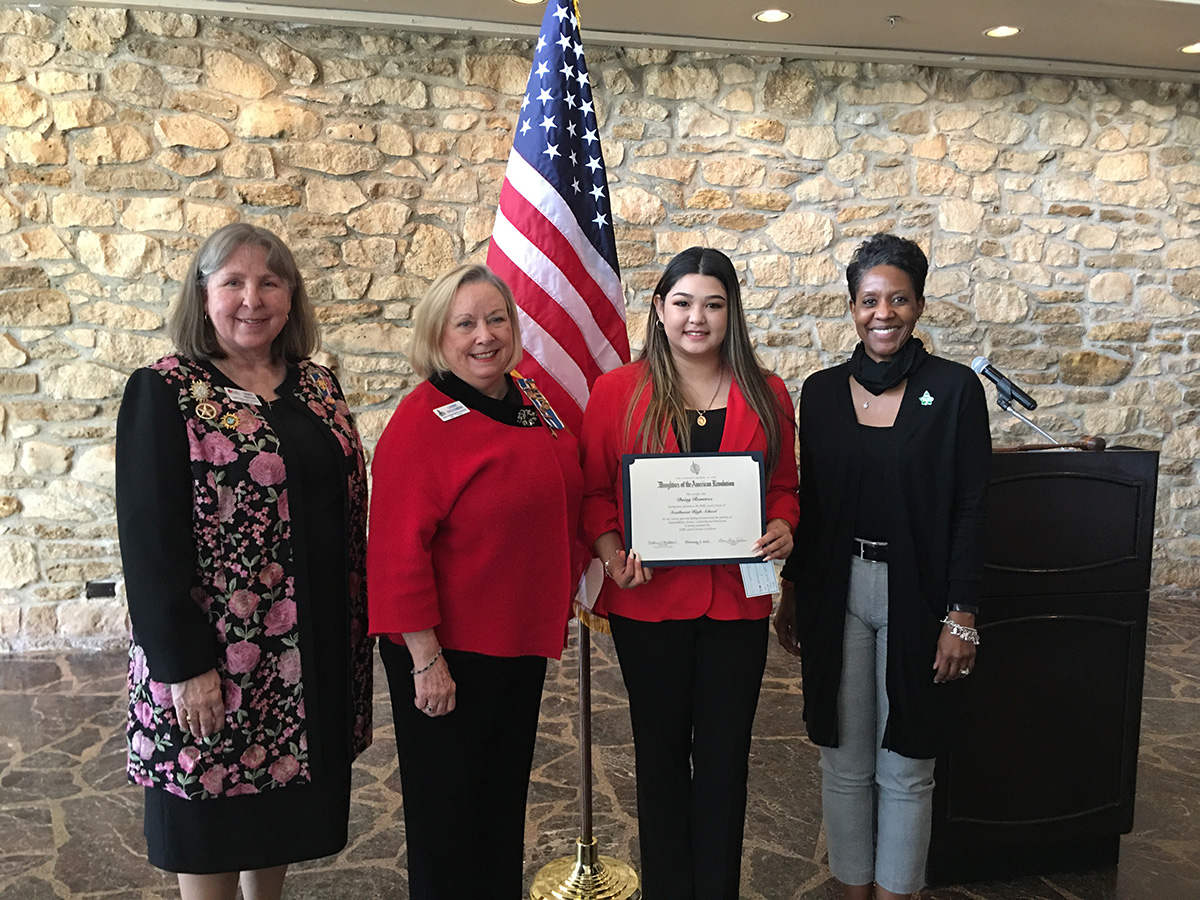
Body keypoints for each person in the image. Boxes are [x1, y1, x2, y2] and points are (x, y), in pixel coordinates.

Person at [116, 223, 374, 900]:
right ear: (203, 296)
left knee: (279, 818)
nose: (252, 298)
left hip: (303, 656)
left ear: (292, 297)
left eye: (270, 281)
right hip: (215, 662)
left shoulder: (317, 387)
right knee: (210, 823)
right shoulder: (166, 390)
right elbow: (149, 542)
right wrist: (185, 667)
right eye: (232, 281)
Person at [773, 233, 991, 900]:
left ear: (920, 305)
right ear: (852, 307)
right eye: (870, 300)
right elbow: (814, 501)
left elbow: (970, 507)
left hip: (919, 596)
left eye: (898, 298)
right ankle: (852, 887)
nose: (883, 313)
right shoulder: (822, 393)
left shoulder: (953, 391)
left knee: (906, 765)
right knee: (842, 759)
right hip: (838, 590)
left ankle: (898, 891)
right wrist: (794, 596)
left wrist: (962, 615)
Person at [579, 246, 800, 900]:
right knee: (661, 759)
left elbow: (784, 487)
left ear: (731, 313)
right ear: (659, 309)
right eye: (683, 303)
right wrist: (613, 551)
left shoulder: (769, 391)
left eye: (712, 304)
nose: (696, 318)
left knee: (727, 763)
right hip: (649, 605)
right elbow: (595, 495)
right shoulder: (616, 391)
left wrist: (785, 524)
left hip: (738, 606)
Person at [367, 264, 586, 900]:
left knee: (498, 810)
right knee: (449, 825)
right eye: (465, 323)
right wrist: (425, 660)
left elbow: (551, 492)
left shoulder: (527, 399)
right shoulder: (421, 419)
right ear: (439, 335)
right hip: (448, 652)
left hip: (515, 642)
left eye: (496, 319)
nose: (484, 335)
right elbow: (396, 551)